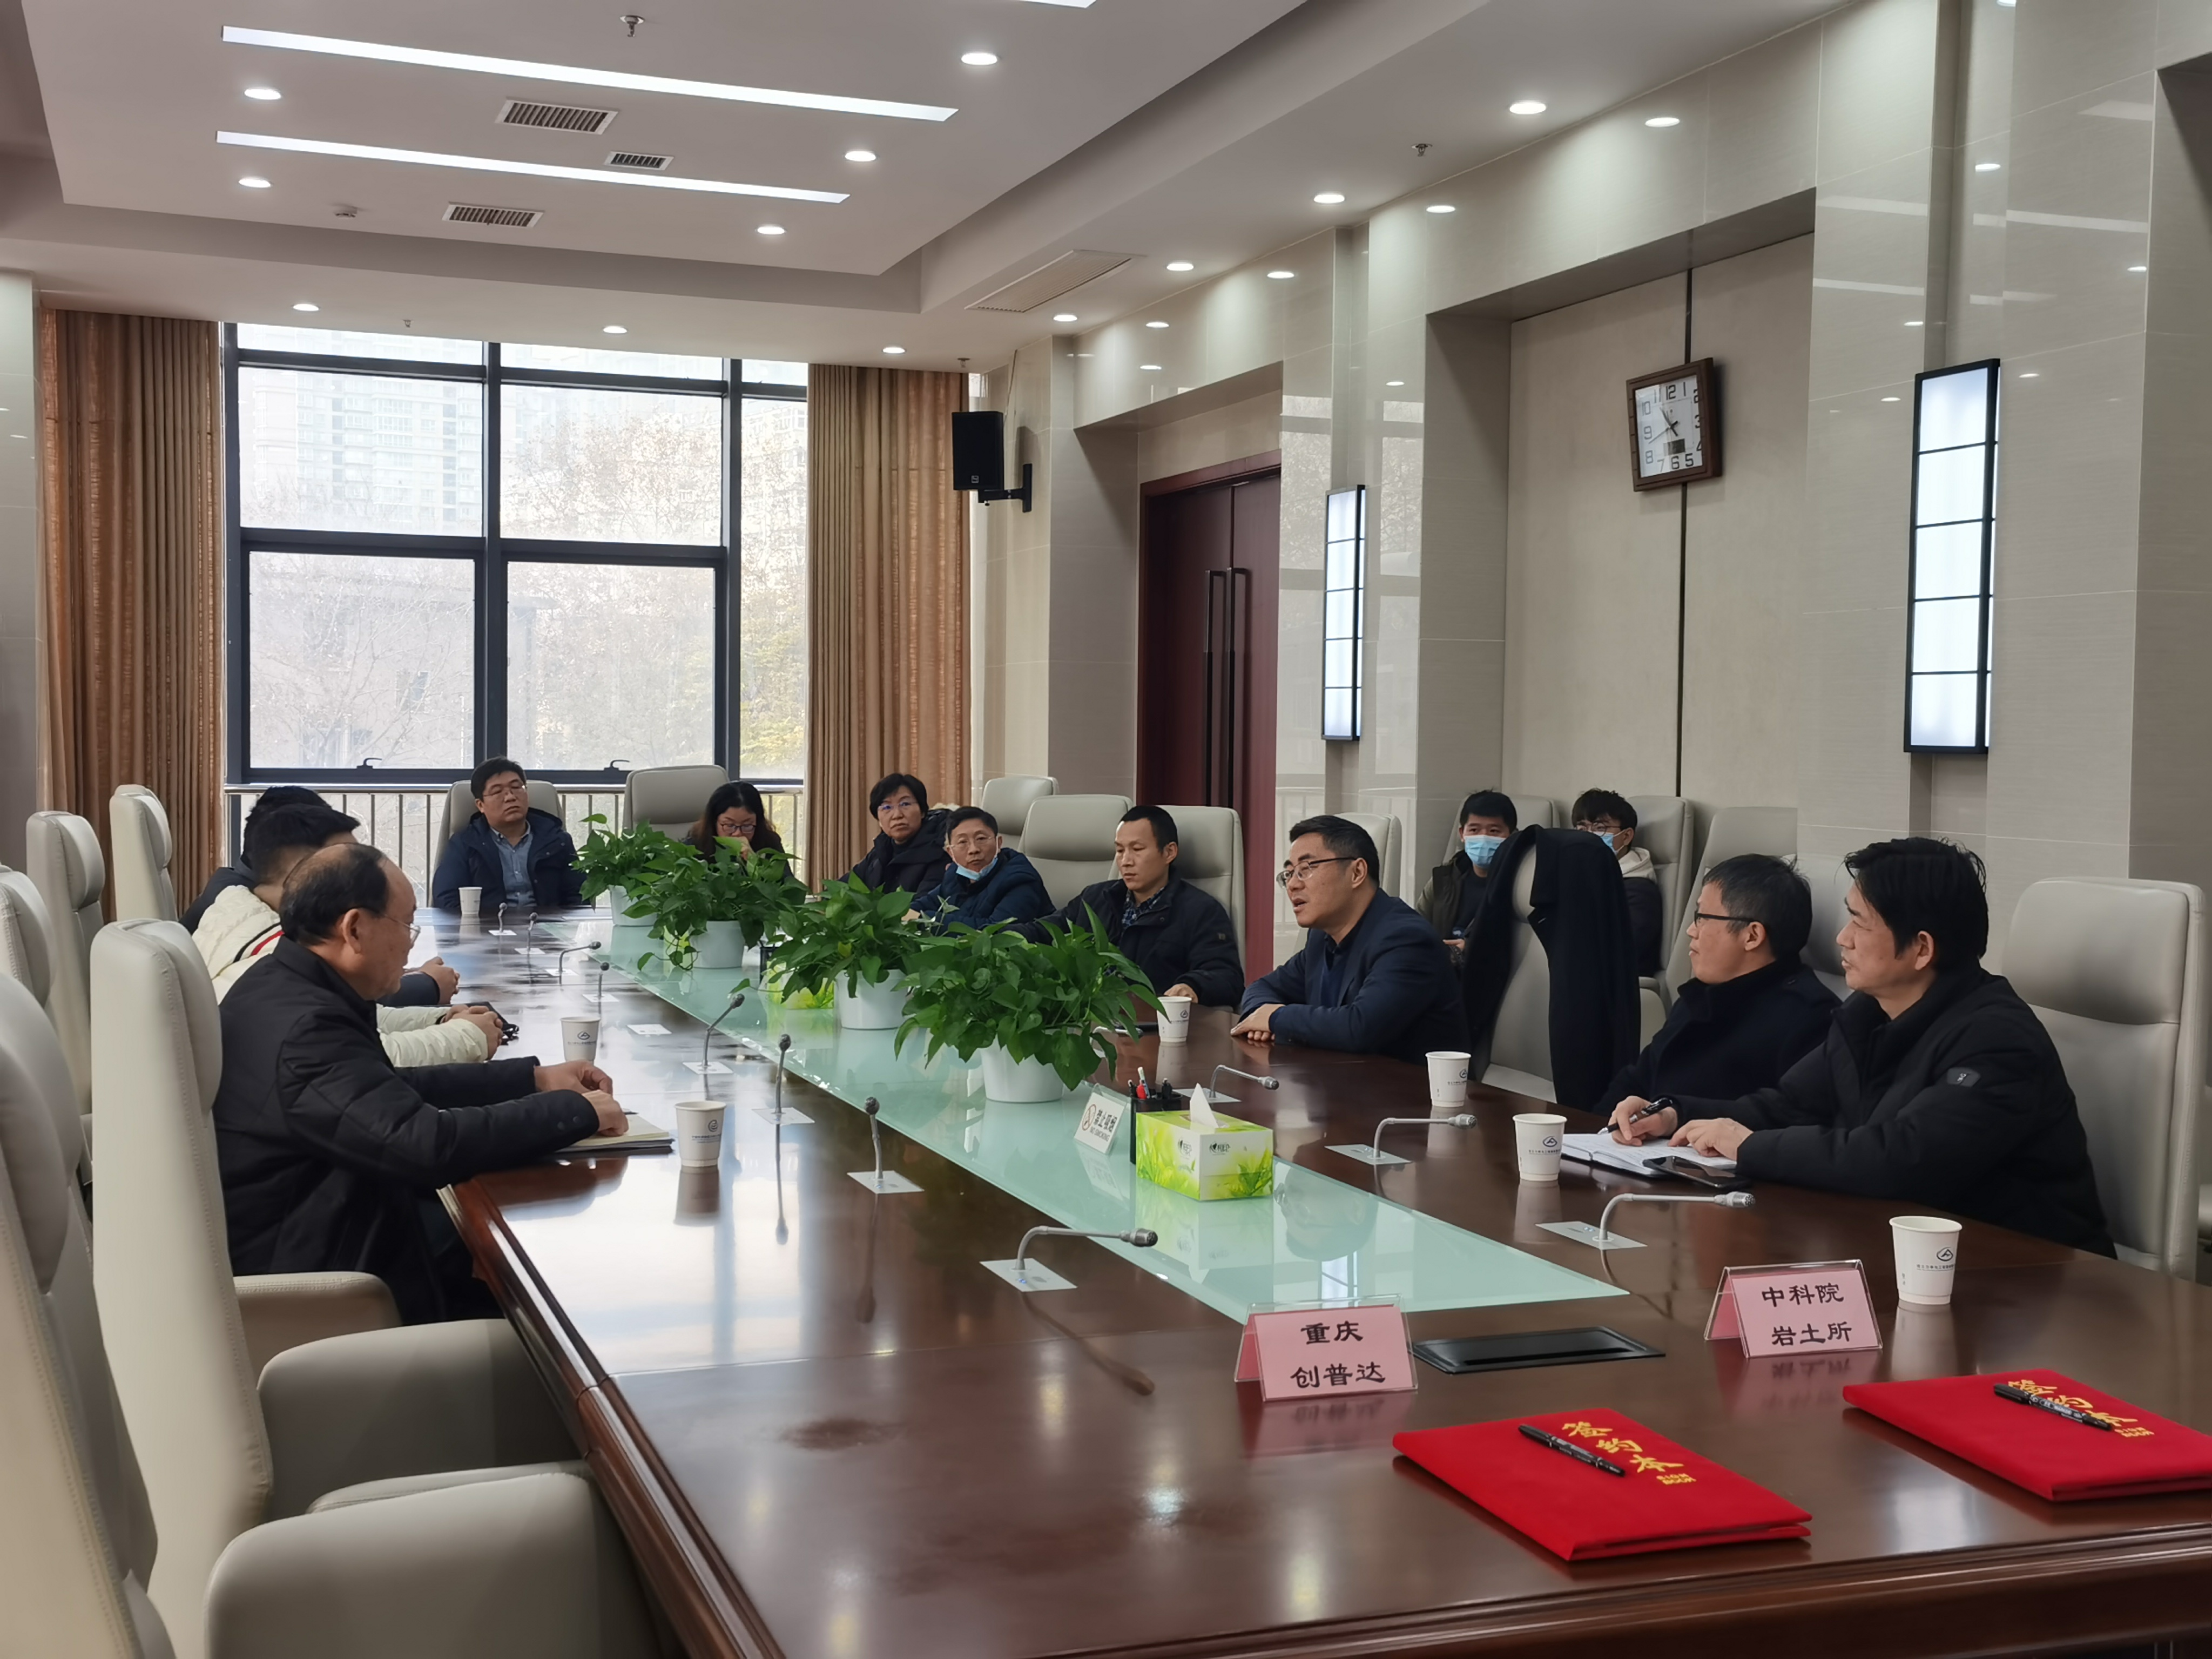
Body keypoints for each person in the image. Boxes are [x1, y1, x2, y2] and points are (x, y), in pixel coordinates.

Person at [1610, 837, 2113, 1256]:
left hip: (2028, 1276)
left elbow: (1903, 1159)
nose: (1842, 938)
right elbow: (1787, 1106)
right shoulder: (1867, 1013)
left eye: (1860, 923)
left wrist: (1749, 1147)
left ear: (1921, 948)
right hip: (1901, 1255)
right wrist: (1676, 1114)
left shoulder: (1998, 1041)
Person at [214, 842, 626, 1323]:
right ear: (354, 929)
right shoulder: (307, 1028)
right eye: (407, 925)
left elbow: (386, 1091)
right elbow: (424, 1143)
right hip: (328, 1285)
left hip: (332, 1228)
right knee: (561, 1286)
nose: (413, 944)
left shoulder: (280, 983)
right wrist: (576, 1112)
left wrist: (532, 1079)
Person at [193, 802, 504, 1067]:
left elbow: (351, 1016)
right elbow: (358, 1056)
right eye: (348, 859)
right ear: (309, 873)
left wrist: (437, 1019)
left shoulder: (237, 913)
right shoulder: (265, 958)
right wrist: (467, 1036)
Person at [1596, 855, 1837, 1114]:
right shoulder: (1702, 994)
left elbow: (1782, 1117)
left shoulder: (1811, 1018)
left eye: (1702, 917)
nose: (1691, 930)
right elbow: (1638, 1078)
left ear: (1752, 936)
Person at [187, 787, 458, 1006]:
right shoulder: (261, 935)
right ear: (308, 870)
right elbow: (333, 999)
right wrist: (428, 986)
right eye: (343, 861)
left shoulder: (238, 897)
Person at [1235, 815, 1468, 1064]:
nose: (1292, 885)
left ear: (1357, 872)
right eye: (1289, 873)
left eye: (1306, 869)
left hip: (1414, 1087)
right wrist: (1261, 1014)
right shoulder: (1322, 936)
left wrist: (1275, 1019)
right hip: (1340, 1081)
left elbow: (1360, 1028)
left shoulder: (1407, 940)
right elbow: (1261, 988)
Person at [1034, 806, 1242, 1006]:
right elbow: (1046, 930)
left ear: (1169, 852)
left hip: (1152, 1022)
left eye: (1137, 849)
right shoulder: (1096, 898)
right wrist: (1013, 937)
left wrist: (1192, 986)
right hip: (1089, 1018)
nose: (1125, 861)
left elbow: (1227, 976)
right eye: (1119, 850)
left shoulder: (1201, 911)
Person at [430, 758, 585, 912]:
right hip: (488, 926)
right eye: (497, 792)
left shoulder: (557, 840)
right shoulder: (465, 844)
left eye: (517, 787)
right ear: (481, 805)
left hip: (547, 925)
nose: (510, 797)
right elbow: (447, 899)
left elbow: (580, 894)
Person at [916, 806, 1054, 929]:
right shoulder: (955, 874)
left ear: (999, 844)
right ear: (951, 853)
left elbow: (997, 931)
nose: (973, 850)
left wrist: (925, 920)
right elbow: (924, 904)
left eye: (981, 839)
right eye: (963, 842)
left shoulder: (1021, 880)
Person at [1573, 788, 1663, 976]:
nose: (1588, 836)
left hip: (1614, 982)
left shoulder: (1639, 891)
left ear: (1627, 836)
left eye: (1600, 828)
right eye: (1582, 828)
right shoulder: (1580, 875)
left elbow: (1620, 950)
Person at [1416, 790, 1518, 952]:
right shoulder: (1444, 879)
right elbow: (1415, 927)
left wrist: (1472, 950)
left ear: (1513, 836)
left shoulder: (1521, 884)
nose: (1483, 838)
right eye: (1474, 830)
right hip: (1441, 964)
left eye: (1494, 831)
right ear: (1462, 834)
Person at [846, 772, 952, 896]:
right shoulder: (881, 850)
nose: (897, 815)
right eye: (887, 807)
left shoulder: (939, 851)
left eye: (905, 804)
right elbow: (842, 889)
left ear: (923, 811)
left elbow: (926, 904)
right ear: (879, 820)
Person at [686, 780, 788, 861]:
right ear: (714, 822)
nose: (738, 834)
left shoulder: (770, 843)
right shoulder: (695, 846)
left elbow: (786, 880)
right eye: (729, 825)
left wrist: (753, 862)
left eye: (747, 826)